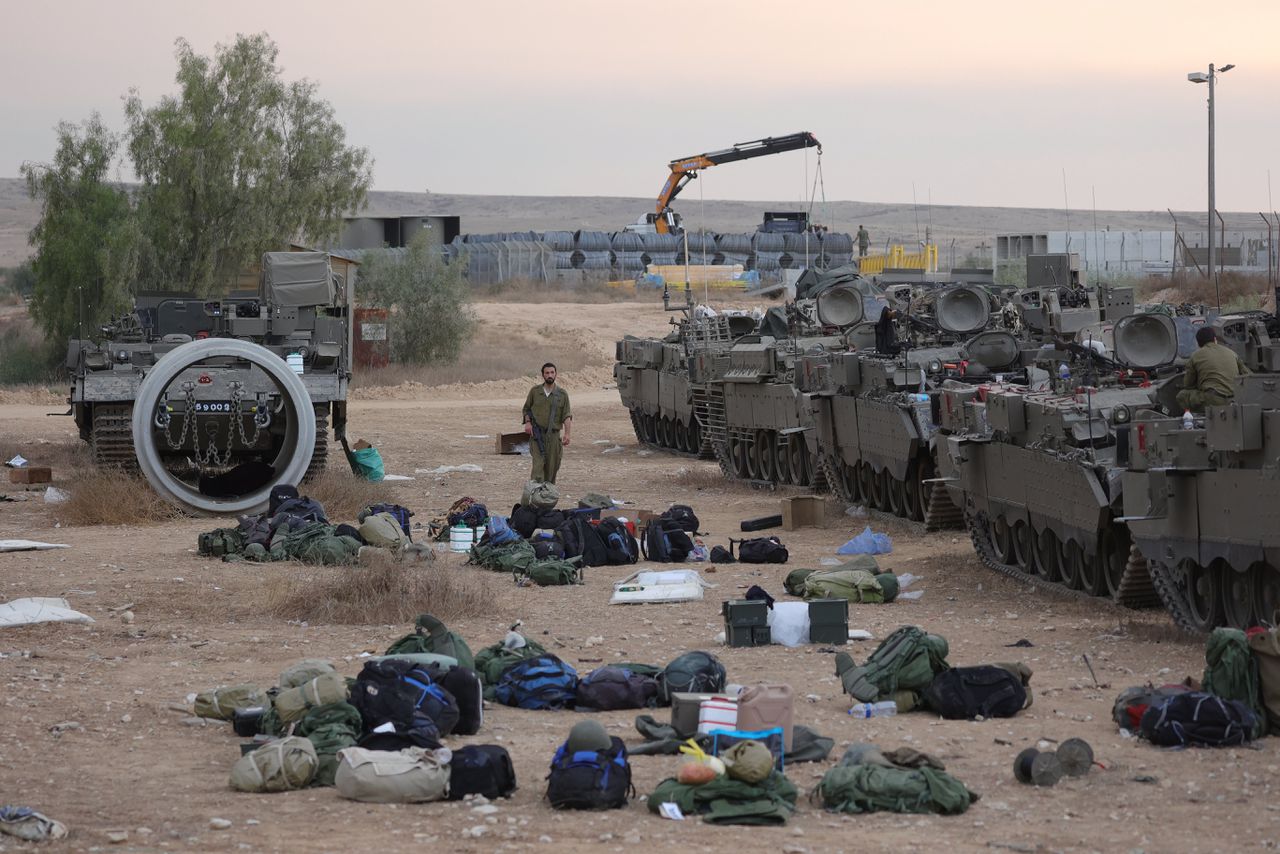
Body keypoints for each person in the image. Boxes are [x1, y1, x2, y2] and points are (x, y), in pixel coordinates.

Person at [1176, 326, 1249, 412]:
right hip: (1235, 399)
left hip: (1213, 400)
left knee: (1182, 396)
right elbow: (1247, 375)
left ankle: (1194, 420)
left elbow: (1188, 385)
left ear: (1199, 343)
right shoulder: (1232, 353)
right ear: (1215, 339)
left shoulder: (1195, 356)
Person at [522, 362, 572, 483]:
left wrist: (567, 434)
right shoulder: (535, 392)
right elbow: (526, 409)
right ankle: (535, 497)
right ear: (543, 375)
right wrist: (528, 423)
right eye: (547, 373)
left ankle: (547, 498)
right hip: (537, 436)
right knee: (538, 470)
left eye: (552, 372)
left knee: (552, 470)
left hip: (554, 437)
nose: (550, 375)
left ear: (556, 374)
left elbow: (566, 415)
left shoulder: (562, 394)